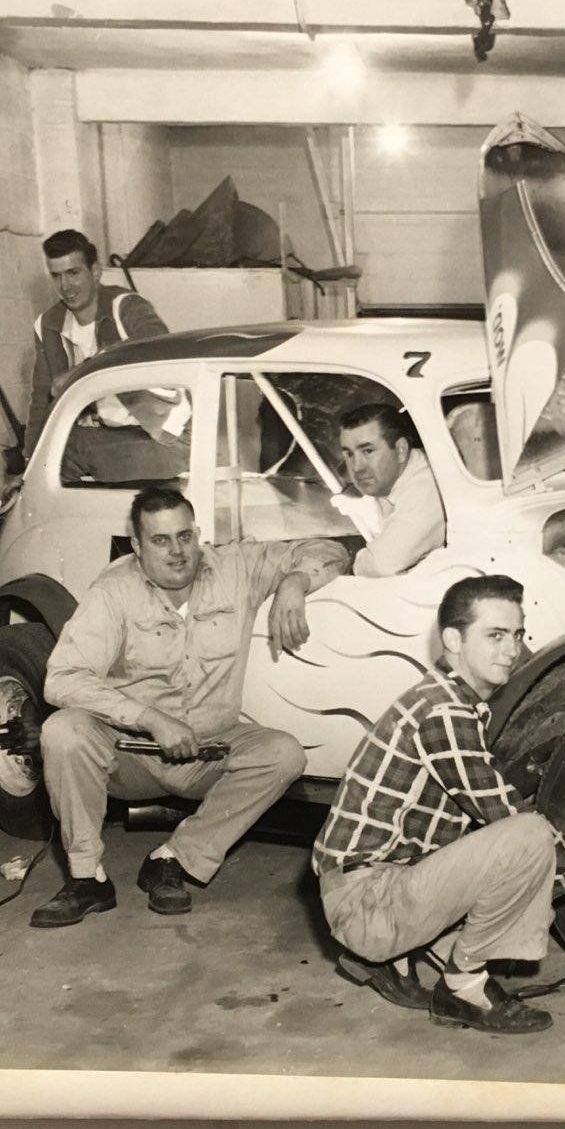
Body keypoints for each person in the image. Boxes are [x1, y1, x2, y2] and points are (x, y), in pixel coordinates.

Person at [311, 575, 565, 1034]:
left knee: (516, 853)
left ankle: (405, 956)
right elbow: (509, 816)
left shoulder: (445, 700)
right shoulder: (443, 712)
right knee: (529, 833)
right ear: (453, 640)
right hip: (367, 903)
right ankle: (460, 987)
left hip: (372, 885)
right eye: (494, 635)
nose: (512, 649)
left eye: (517, 634)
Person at [31, 486, 349, 928]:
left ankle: (173, 860)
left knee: (283, 754)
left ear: (197, 534)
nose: (177, 552)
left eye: (185, 536)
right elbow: (62, 678)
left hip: (210, 750)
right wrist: (149, 718)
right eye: (160, 541)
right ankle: (88, 879)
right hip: (131, 754)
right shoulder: (113, 591)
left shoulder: (236, 568)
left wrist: (293, 583)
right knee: (63, 731)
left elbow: (329, 549)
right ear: (137, 547)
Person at [24, 228, 172, 460]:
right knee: (52, 462)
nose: (65, 286)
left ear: (95, 272)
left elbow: (157, 344)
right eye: (56, 275)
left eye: (73, 273)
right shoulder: (47, 325)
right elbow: (41, 400)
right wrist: (28, 465)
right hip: (99, 438)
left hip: (154, 433)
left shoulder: (126, 306)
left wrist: (82, 371)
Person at [337, 403, 446, 577]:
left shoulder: (425, 486)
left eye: (368, 451)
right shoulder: (392, 479)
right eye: (349, 454)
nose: (357, 467)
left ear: (401, 450)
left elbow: (381, 565)